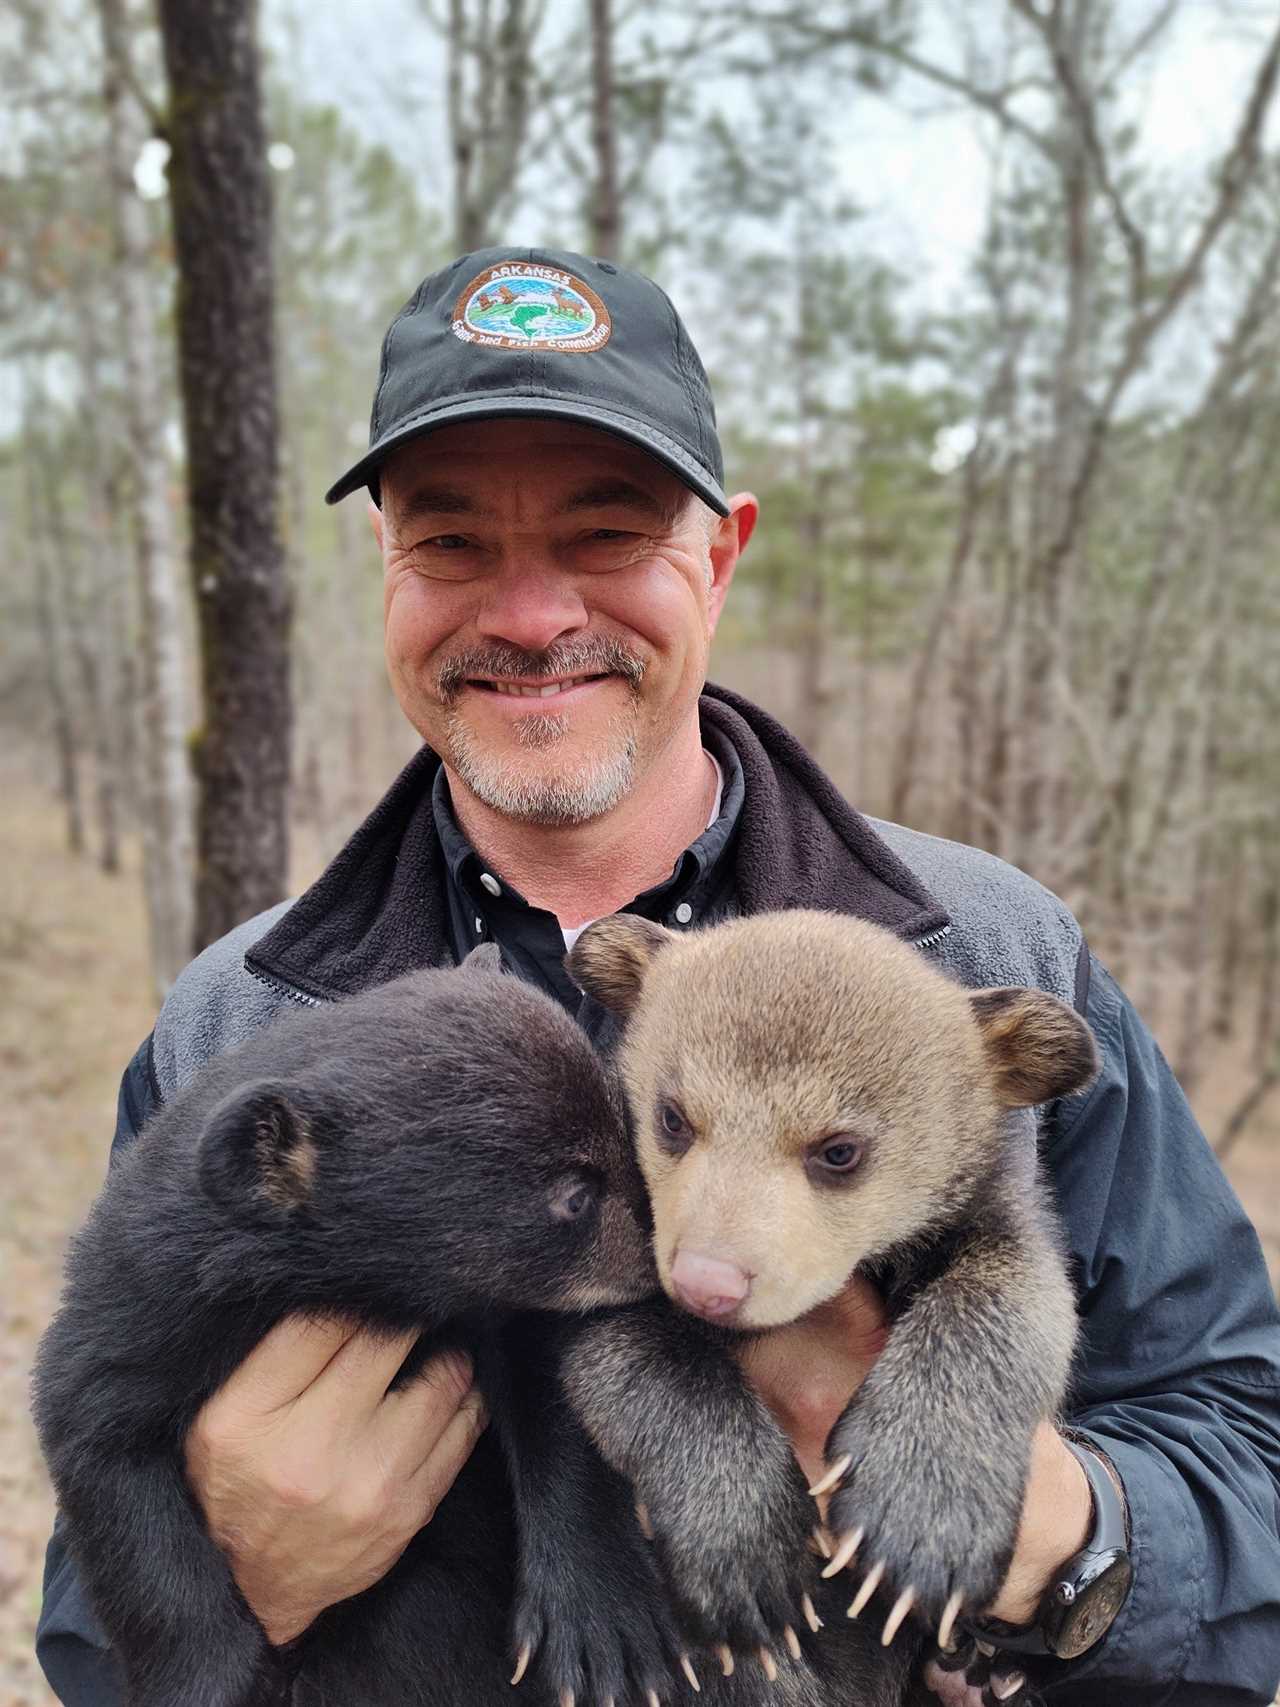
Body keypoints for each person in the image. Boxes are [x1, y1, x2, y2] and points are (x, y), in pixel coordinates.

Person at [37, 246, 1280, 1706]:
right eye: (450, 543)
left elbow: (1247, 1467)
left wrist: (1064, 1542)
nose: (529, 613)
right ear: (384, 566)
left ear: (721, 554)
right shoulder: (248, 1033)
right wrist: (245, 1569)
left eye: (608, 532)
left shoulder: (987, 961)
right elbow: (96, 1595)